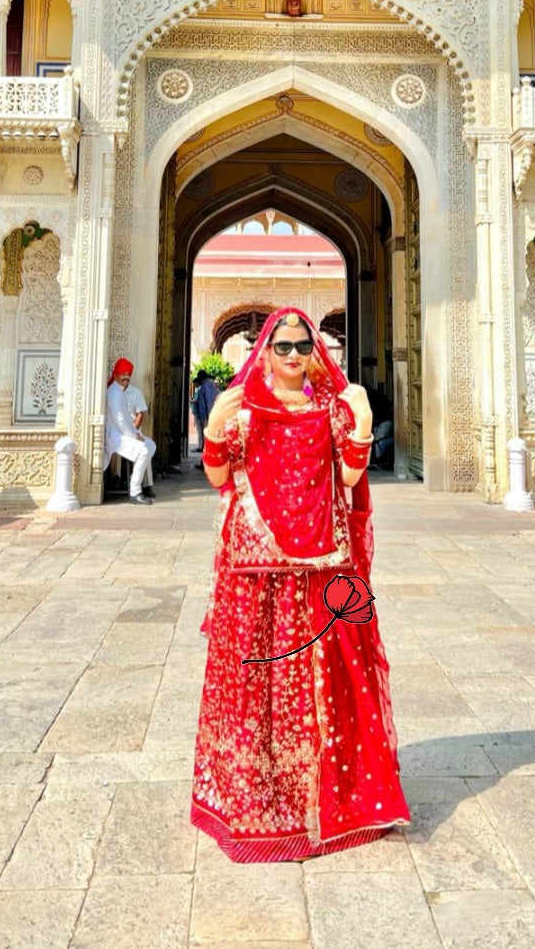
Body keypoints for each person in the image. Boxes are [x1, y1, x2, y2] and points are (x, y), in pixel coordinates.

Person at [191, 307, 410, 861]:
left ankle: (327, 801)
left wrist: (360, 424)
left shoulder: (329, 409)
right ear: (264, 350)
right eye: (283, 347)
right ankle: (259, 803)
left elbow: (350, 476)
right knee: (258, 687)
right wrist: (215, 426)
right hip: (256, 570)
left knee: (326, 679)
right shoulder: (243, 412)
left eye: (302, 346)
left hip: (320, 565)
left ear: (315, 352)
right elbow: (219, 477)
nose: (293, 356)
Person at [104, 357, 156, 505]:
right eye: (123, 374)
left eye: (128, 374)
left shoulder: (119, 391)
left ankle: (135, 478)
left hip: (125, 433)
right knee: (144, 450)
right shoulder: (114, 393)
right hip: (115, 436)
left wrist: (135, 432)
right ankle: (135, 491)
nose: (126, 376)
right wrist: (134, 435)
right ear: (115, 375)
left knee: (151, 445)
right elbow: (120, 421)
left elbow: (128, 418)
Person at [191, 368, 220, 464]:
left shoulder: (205, 386)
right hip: (209, 415)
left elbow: (208, 402)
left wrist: (209, 417)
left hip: (206, 417)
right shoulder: (211, 385)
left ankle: (205, 463)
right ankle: (204, 462)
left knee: (206, 440)